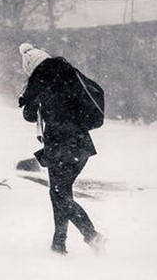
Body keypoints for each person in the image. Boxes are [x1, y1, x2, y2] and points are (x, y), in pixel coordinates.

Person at [17, 43, 102, 255]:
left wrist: (30, 97)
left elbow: (28, 115)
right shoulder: (69, 75)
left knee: (59, 194)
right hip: (81, 144)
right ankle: (59, 244)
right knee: (61, 193)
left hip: (59, 145)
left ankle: (92, 236)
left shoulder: (41, 83)